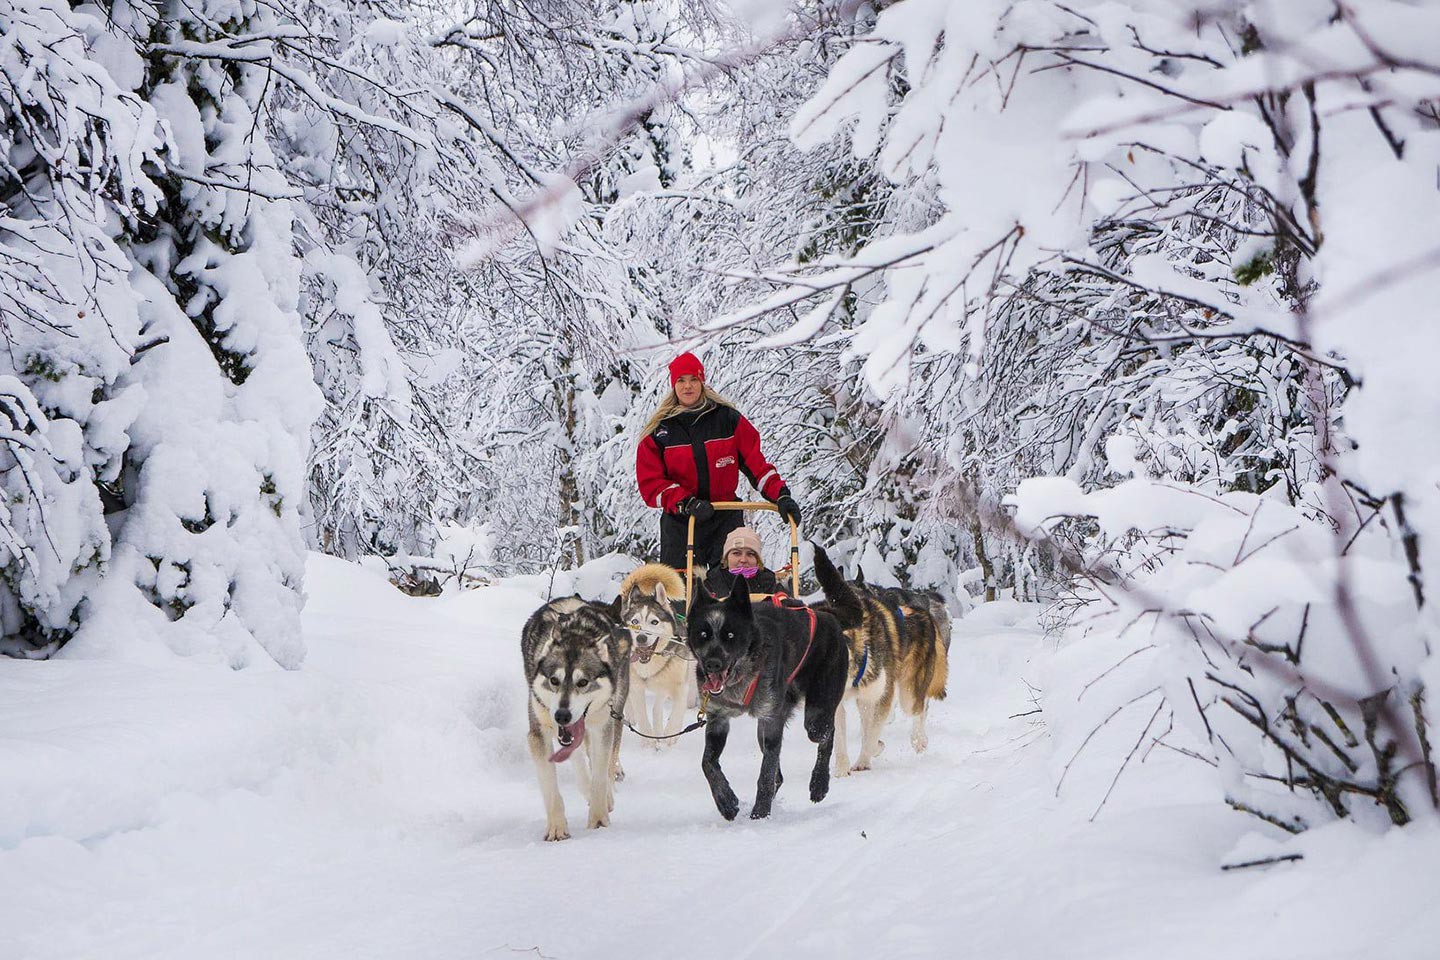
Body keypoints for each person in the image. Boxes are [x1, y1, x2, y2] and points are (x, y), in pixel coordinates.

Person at [636, 351, 801, 571]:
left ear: (702, 382)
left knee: (730, 588)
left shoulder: (727, 420)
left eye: (694, 379)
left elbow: (756, 465)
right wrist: (686, 502)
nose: (688, 386)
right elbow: (651, 484)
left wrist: (780, 494)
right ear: (673, 386)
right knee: (684, 595)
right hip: (682, 522)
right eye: (681, 381)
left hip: (724, 517)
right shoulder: (660, 432)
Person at [703, 526, 780, 598]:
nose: (743, 560)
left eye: (750, 554)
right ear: (726, 558)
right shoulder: (711, 584)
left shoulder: (770, 583)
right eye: (737, 553)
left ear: (757, 560)